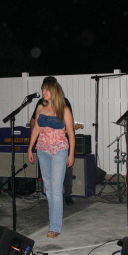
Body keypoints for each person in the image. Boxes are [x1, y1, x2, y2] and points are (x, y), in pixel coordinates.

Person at [28, 78, 75, 238]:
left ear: (54, 90)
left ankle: (55, 226)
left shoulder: (64, 109)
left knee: (56, 189)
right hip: (42, 150)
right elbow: (36, 129)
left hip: (59, 150)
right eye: (42, 89)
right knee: (48, 189)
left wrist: (71, 154)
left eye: (46, 90)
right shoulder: (40, 107)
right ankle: (52, 220)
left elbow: (71, 134)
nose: (43, 92)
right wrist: (30, 148)